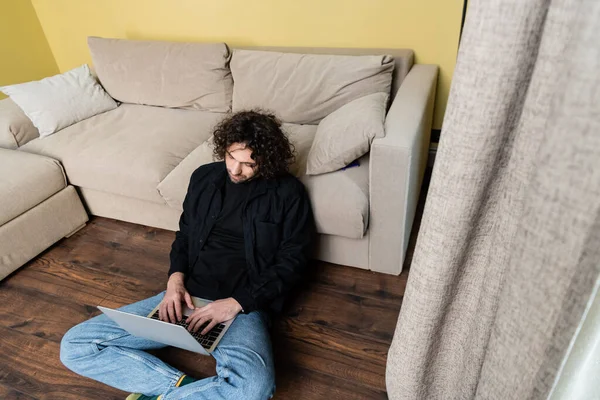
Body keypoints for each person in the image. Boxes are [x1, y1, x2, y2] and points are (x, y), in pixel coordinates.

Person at [59, 110, 315, 400]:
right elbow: (185, 234)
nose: (235, 169)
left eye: (248, 164)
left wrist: (235, 303)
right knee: (75, 346)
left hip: (242, 306)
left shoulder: (288, 193)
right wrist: (175, 281)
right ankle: (177, 390)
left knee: (253, 389)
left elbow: (293, 261)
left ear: (266, 161)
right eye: (231, 157)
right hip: (185, 298)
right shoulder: (204, 177)